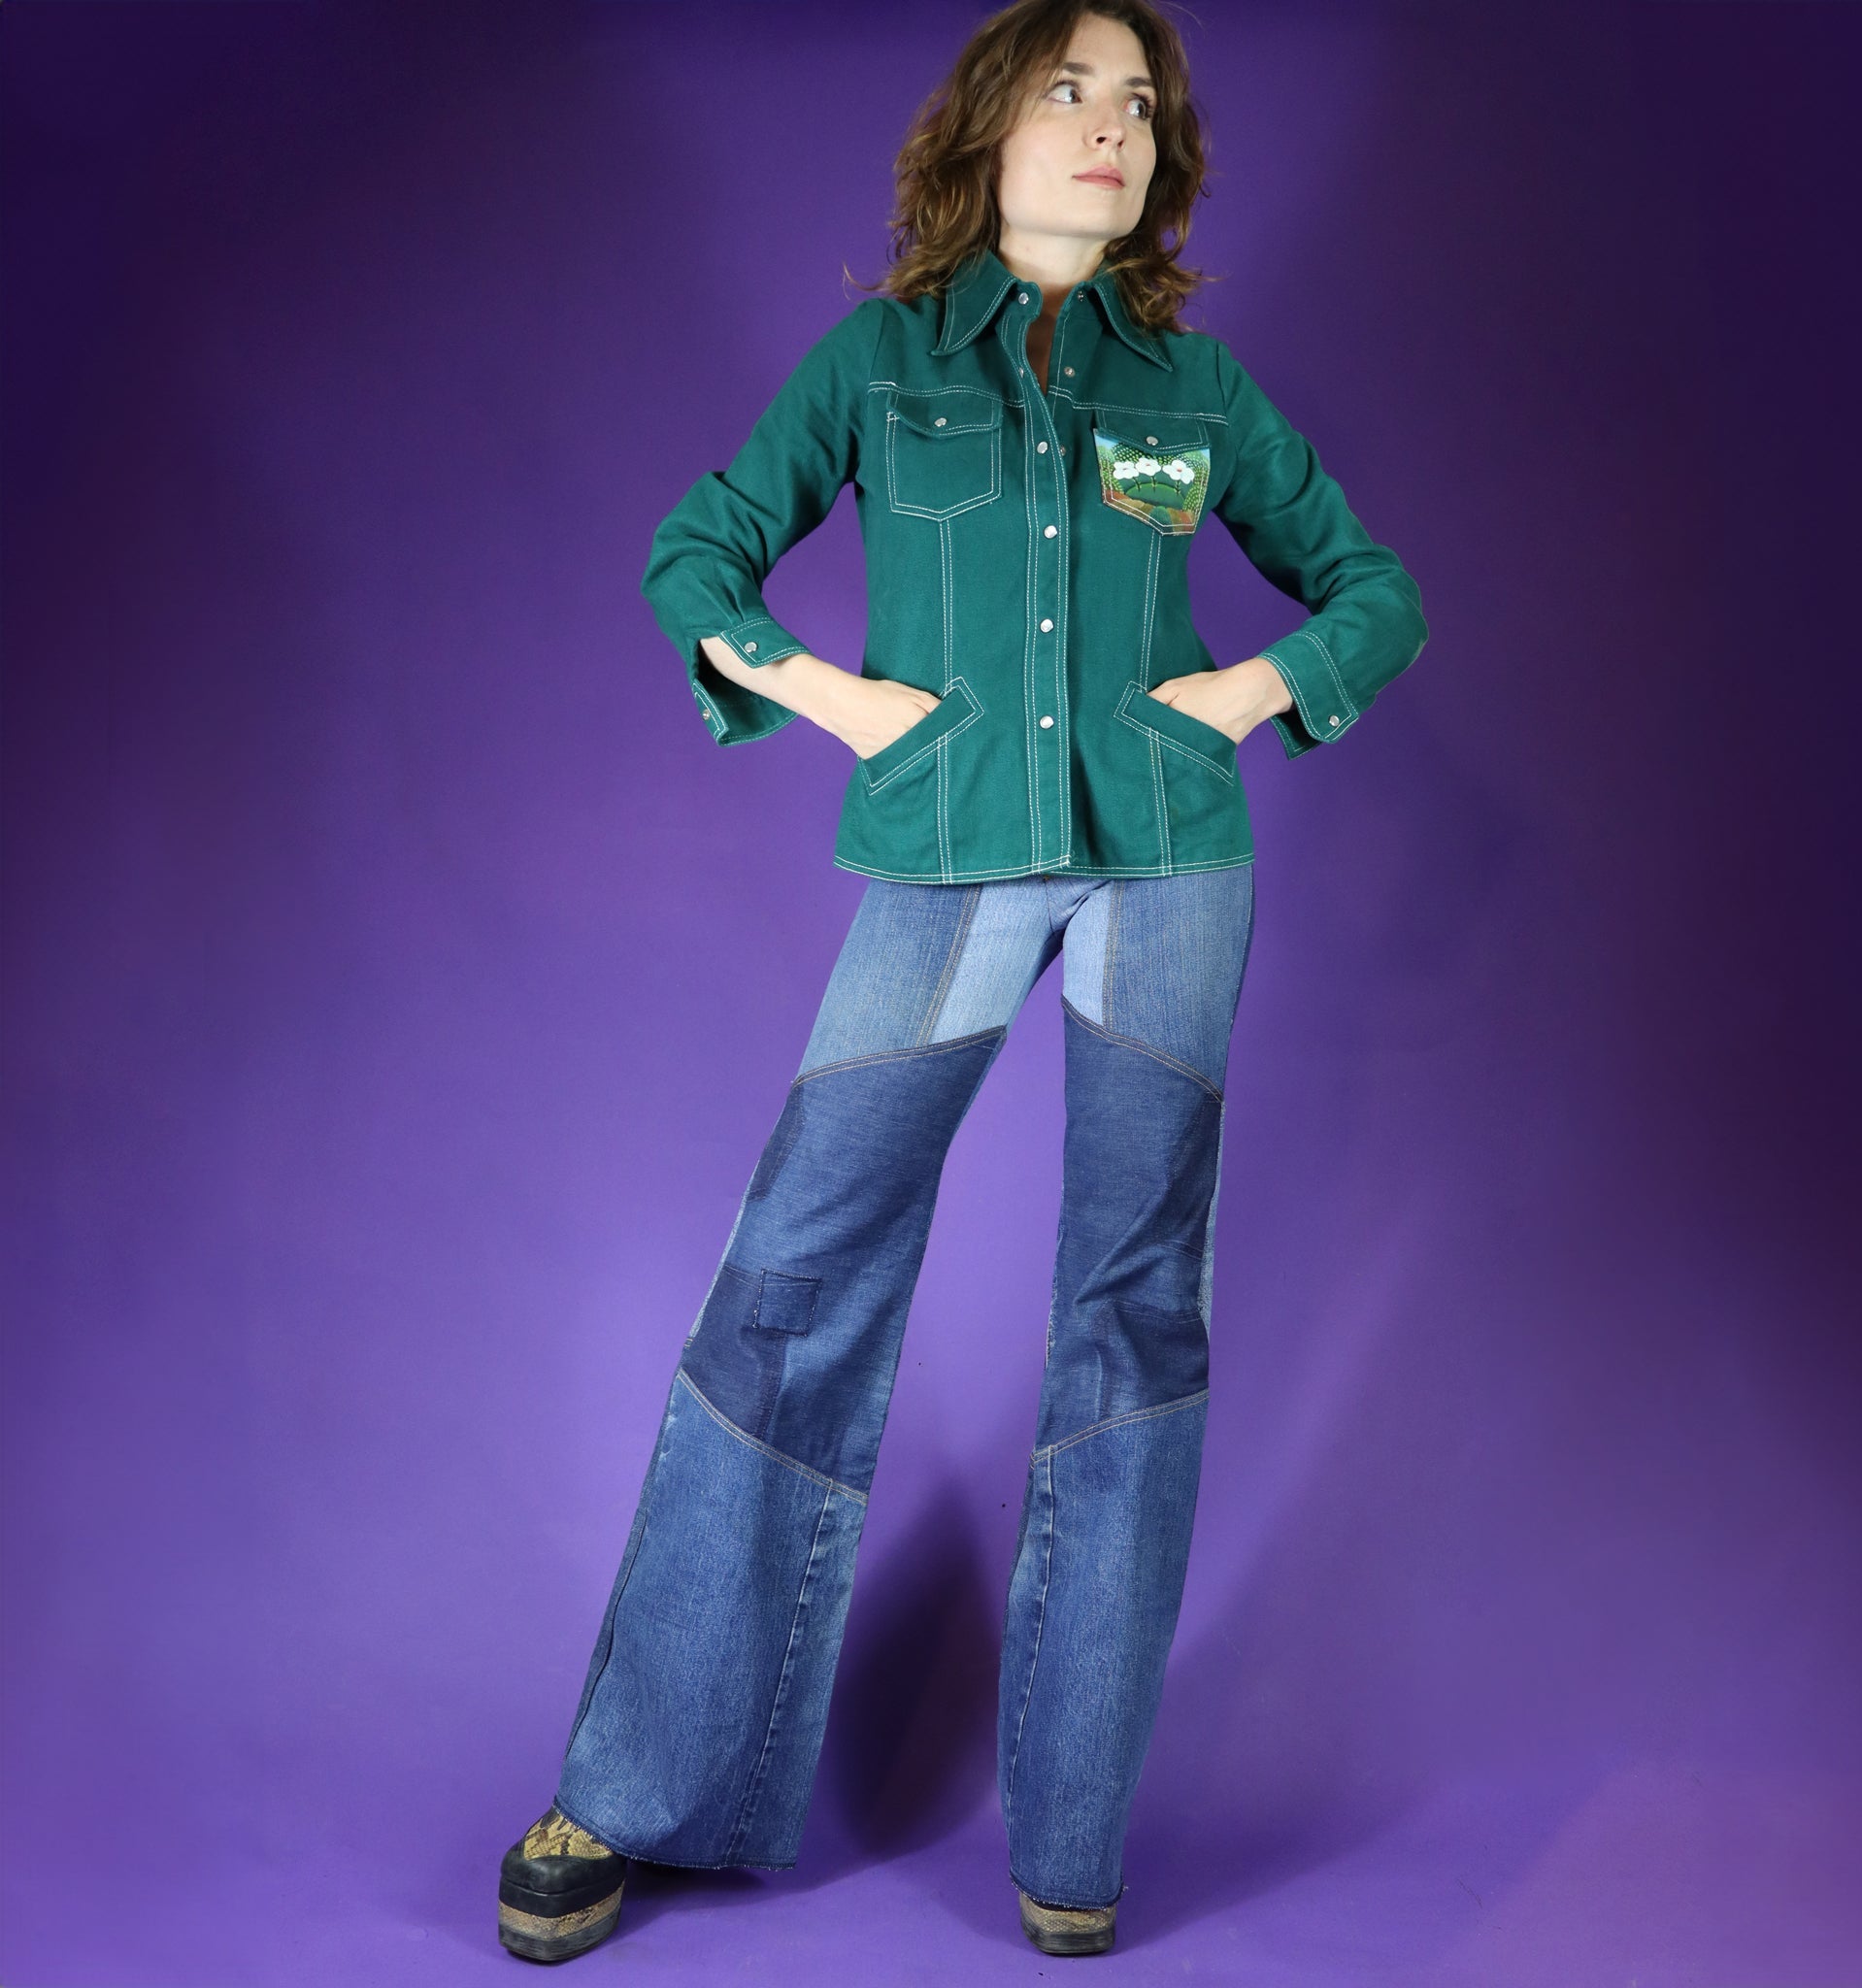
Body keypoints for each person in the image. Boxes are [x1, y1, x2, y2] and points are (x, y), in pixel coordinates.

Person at [497, 0, 1428, 1963]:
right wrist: (838, 701)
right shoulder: (879, 365)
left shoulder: (1193, 386)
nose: (1111, 128)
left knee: (1135, 1311)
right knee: (792, 1274)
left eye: (1140, 103)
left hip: (1170, 871)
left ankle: (1072, 1840)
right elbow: (696, 558)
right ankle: (640, 1785)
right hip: (944, 861)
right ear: (987, 128)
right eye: (1069, 91)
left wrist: (1252, 691)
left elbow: (1374, 592)